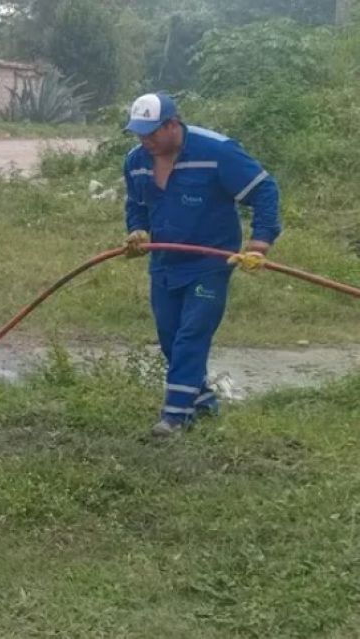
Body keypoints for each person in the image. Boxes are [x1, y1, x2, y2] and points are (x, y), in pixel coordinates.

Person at [122, 92, 281, 437]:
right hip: (164, 265)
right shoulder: (136, 161)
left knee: (191, 335)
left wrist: (259, 244)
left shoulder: (217, 152)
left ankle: (175, 417)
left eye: (151, 133)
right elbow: (135, 204)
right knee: (169, 338)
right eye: (139, 133)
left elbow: (265, 190)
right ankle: (204, 400)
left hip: (210, 262)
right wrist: (136, 230)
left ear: (173, 124)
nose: (144, 140)